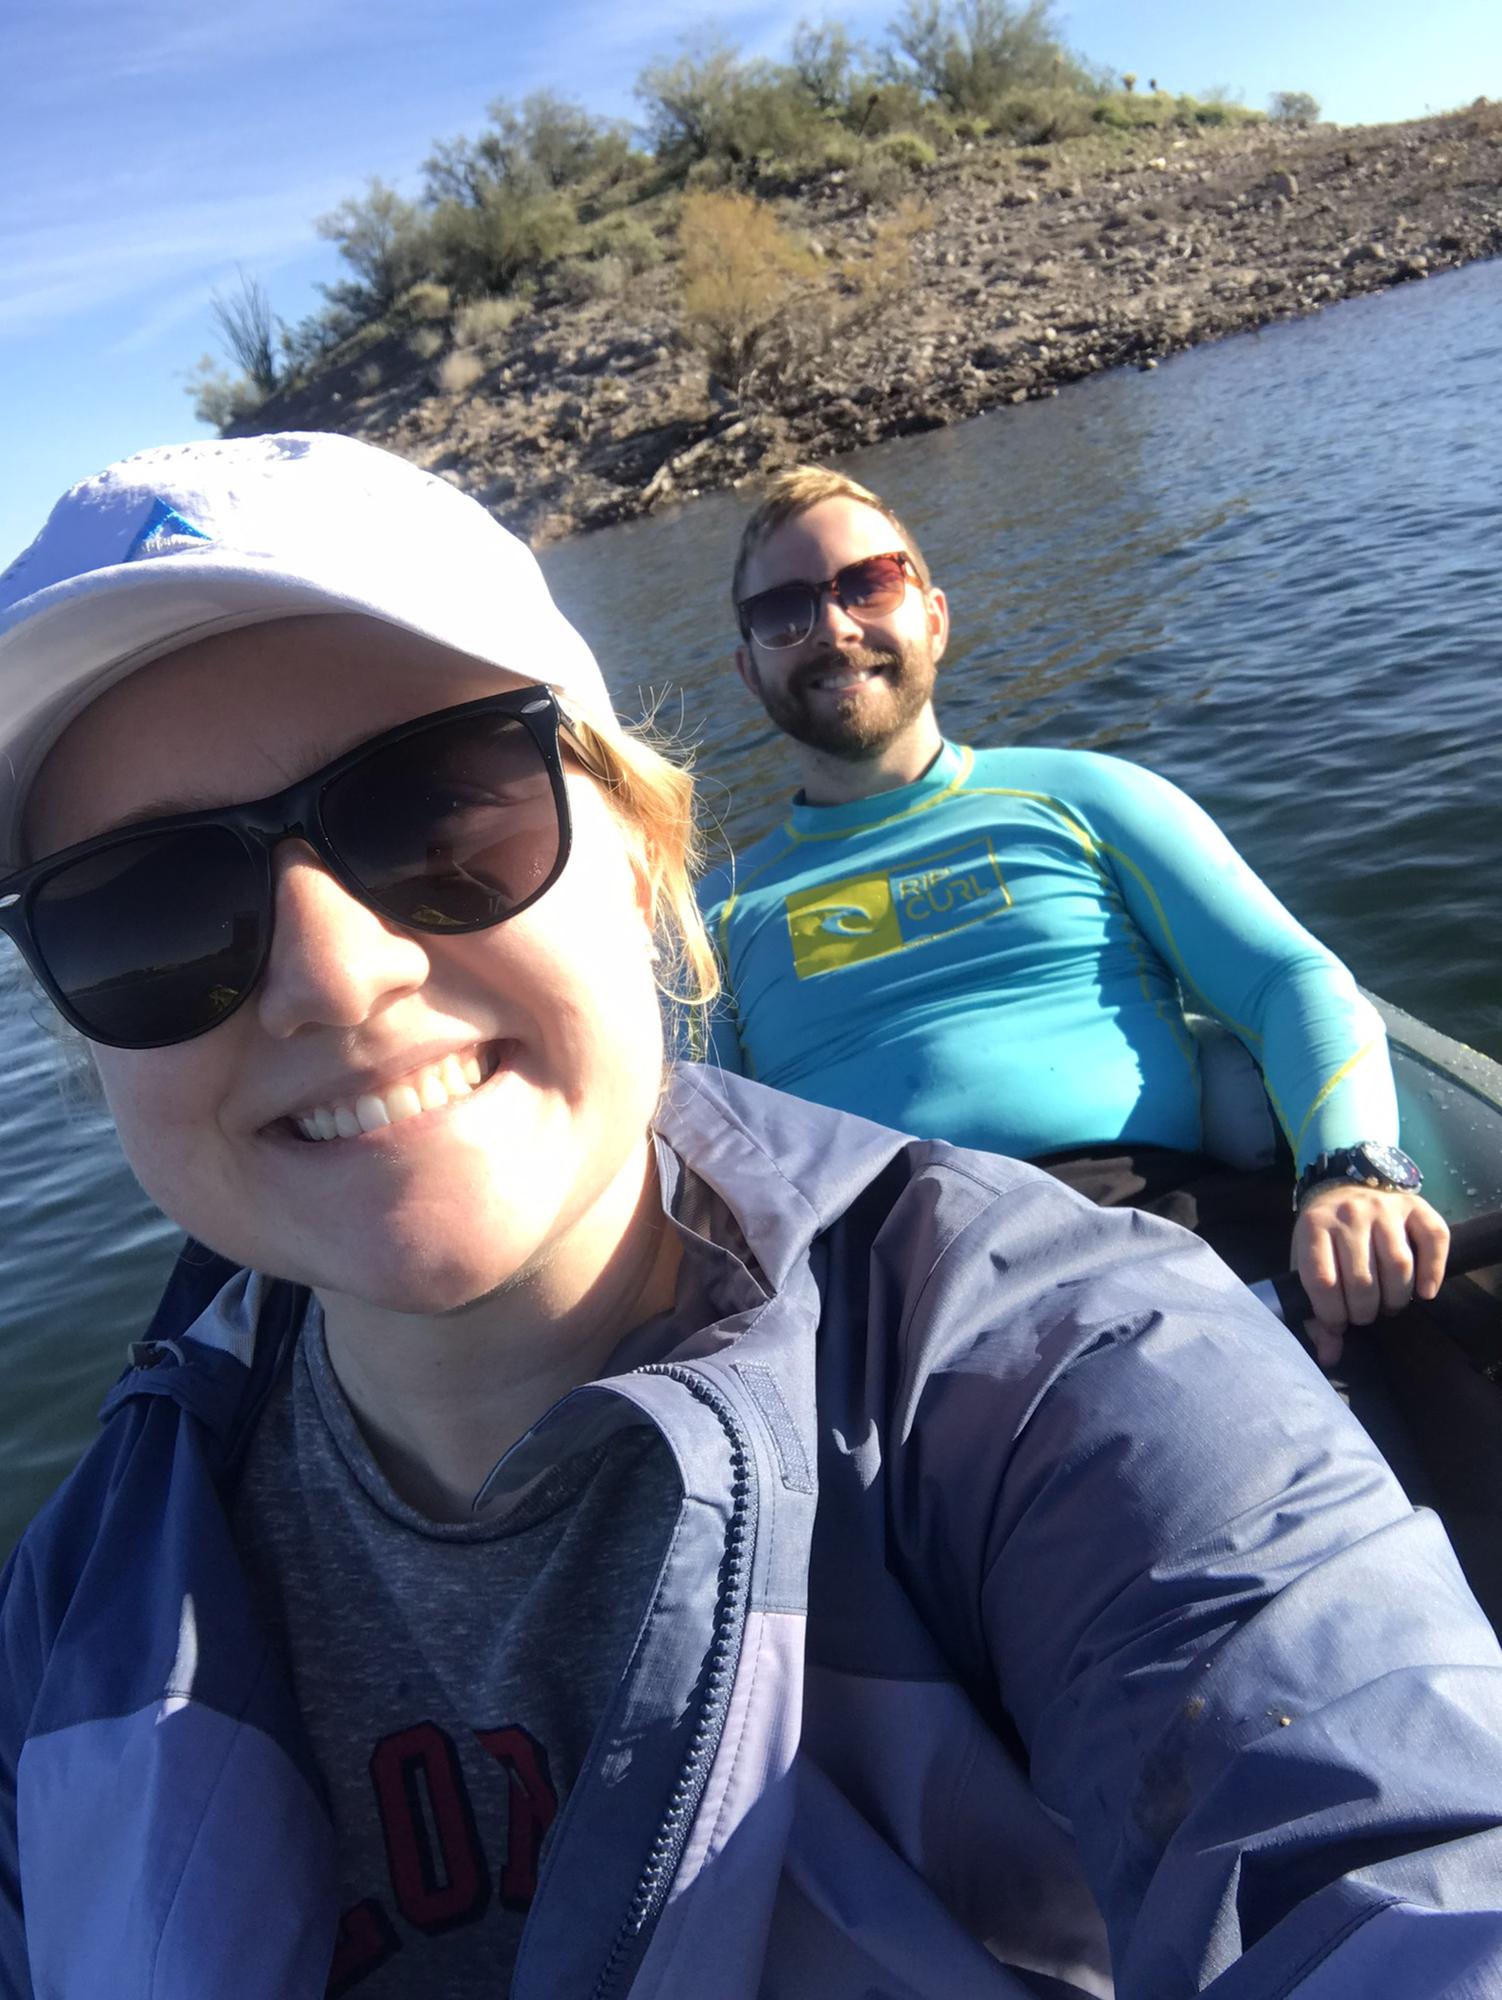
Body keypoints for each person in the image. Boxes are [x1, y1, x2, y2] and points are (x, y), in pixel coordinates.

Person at [3, 433, 1502, 2000]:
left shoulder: (1082, 1335)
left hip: (1143, 1222)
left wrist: (1353, 1165)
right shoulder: (75, 1602)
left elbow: (1388, 1873)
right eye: (146, 910)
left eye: (439, 817)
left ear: (638, 851)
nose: (334, 979)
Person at [704, 465, 1450, 1361]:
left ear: (934, 616)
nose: (833, 625)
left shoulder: (1083, 797)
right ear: (750, 671)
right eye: (786, 610)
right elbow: (688, 1168)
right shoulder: (715, 914)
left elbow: (1289, 981)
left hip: (1152, 1229)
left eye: (869, 583)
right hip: (884, 1310)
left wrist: (1349, 1172)